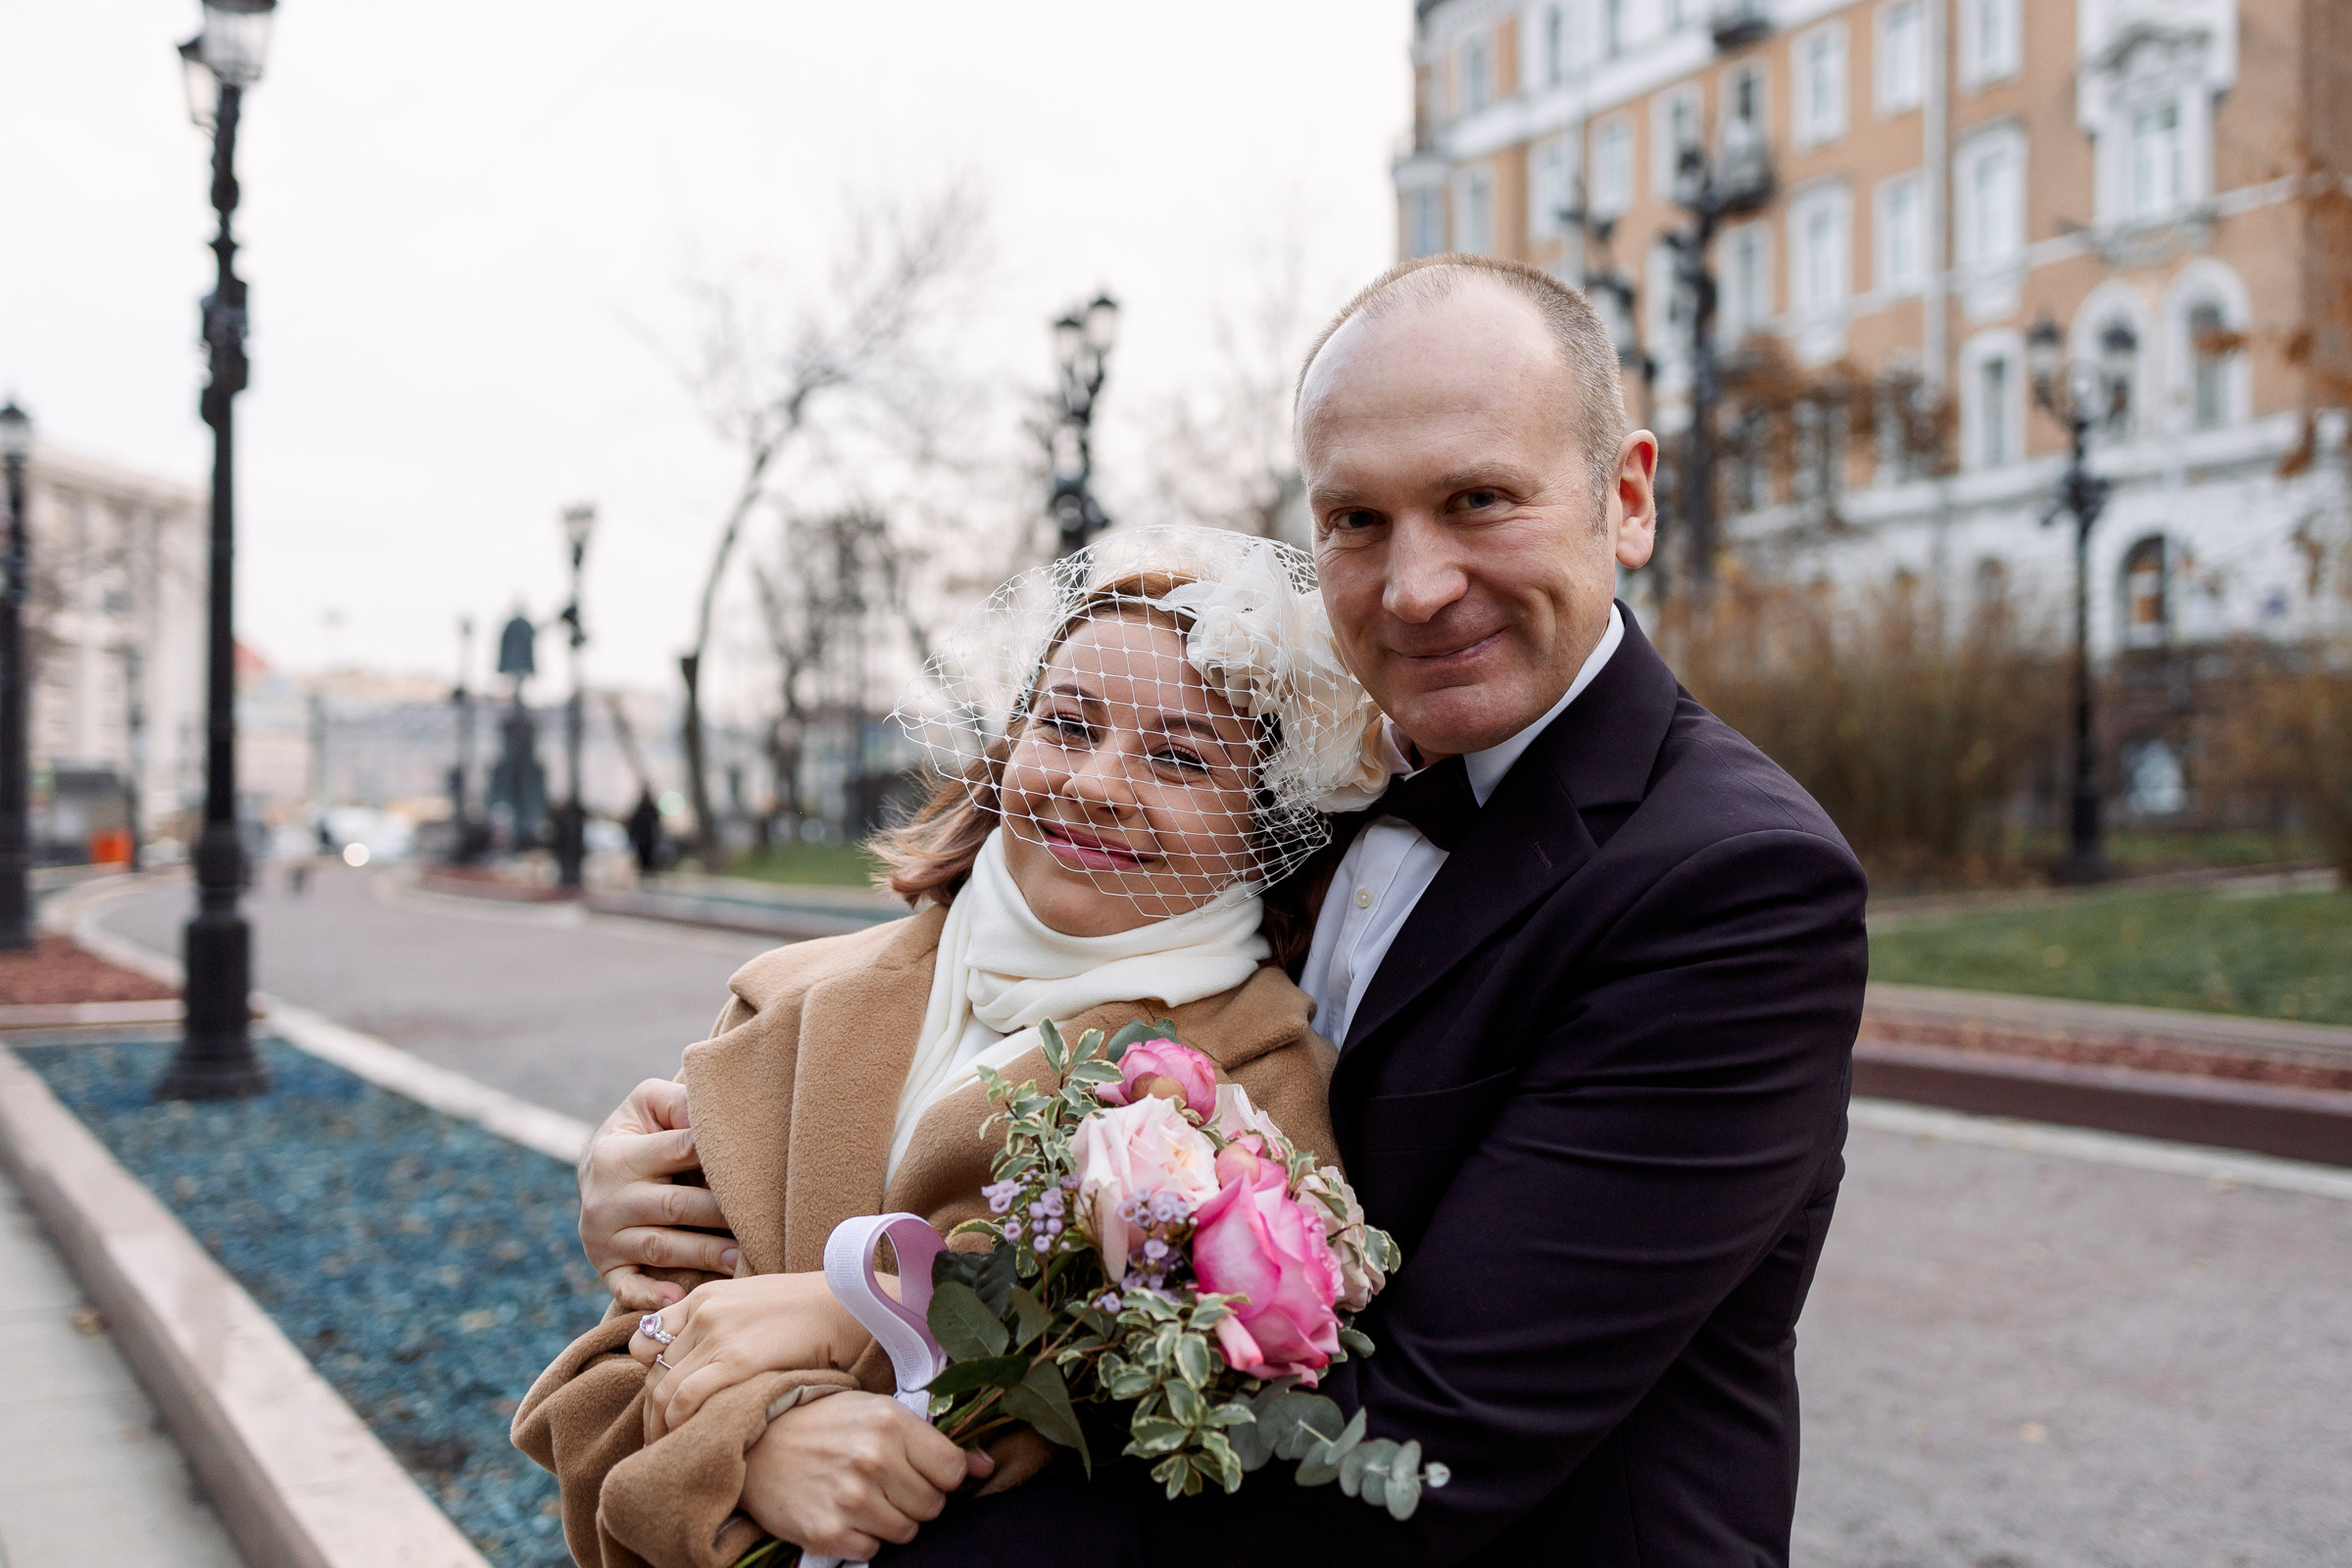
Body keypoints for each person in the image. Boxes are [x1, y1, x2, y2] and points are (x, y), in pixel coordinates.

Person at [576, 255, 1869, 1566]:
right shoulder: (1297, 787)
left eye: (1479, 500)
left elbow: (1425, 1441)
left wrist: (857, 1370)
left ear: (1626, 498)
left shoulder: (1732, 886)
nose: (1415, 586)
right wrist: (658, 1189)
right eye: (1356, 519)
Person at [515, 534, 1394, 1568]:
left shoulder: (1262, 1090)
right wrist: (743, 1456)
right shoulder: (782, 1002)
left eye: (1179, 758)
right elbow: (600, 1382)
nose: (1096, 785)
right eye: (1068, 726)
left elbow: (1183, 1464)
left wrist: (860, 1322)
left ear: (1267, 823)